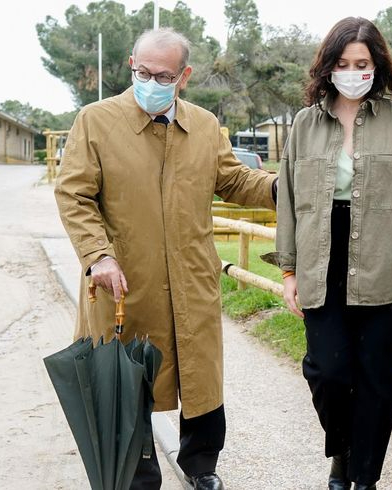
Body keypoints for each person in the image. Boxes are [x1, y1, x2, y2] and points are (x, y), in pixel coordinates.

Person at [54, 28, 277, 490]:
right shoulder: (95, 121)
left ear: (185, 76)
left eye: (163, 75)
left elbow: (234, 181)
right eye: (142, 71)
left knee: (201, 376)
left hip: (192, 275)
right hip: (123, 279)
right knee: (128, 377)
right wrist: (98, 256)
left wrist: (280, 186)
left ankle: (202, 466)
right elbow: (74, 194)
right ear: (131, 65)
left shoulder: (204, 125)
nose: (150, 81)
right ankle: (138, 473)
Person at [263, 16, 392, 490]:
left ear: (377, 65)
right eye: (343, 62)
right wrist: (288, 271)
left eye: (361, 63)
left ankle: (363, 477)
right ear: (328, 67)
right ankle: (341, 449)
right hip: (321, 259)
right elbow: (291, 203)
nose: (353, 71)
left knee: (378, 381)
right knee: (326, 370)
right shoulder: (305, 123)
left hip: (385, 262)